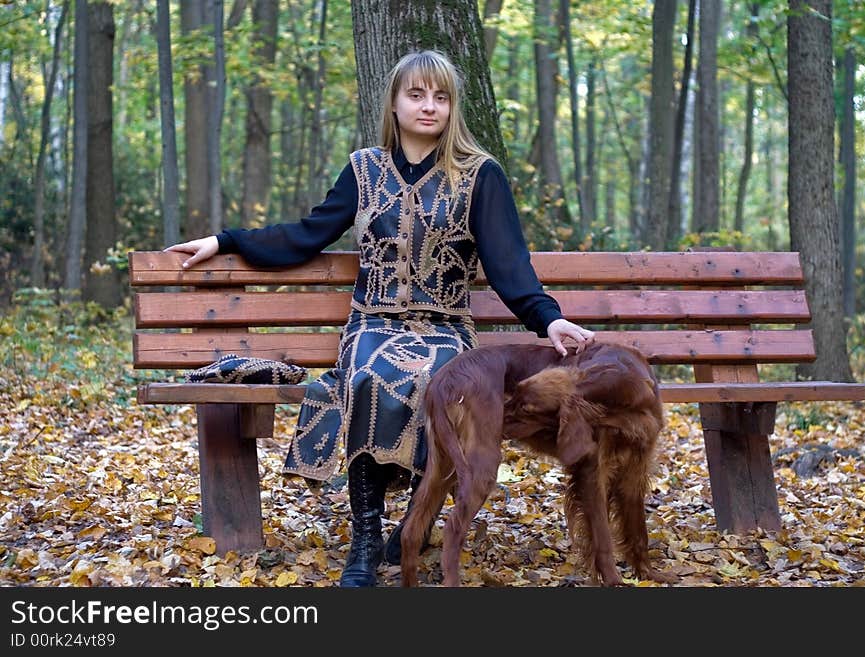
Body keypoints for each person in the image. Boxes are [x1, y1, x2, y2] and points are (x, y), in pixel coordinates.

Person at [165, 49, 595, 587]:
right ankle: (366, 538)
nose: (429, 106)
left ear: (453, 107)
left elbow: (510, 265)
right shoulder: (364, 169)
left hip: (445, 326)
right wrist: (225, 239)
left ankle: (414, 525)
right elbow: (307, 234)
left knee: (443, 385)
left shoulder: (479, 175)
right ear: (393, 102)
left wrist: (548, 319)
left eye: (441, 97)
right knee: (368, 376)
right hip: (374, 322)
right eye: (416, 94)